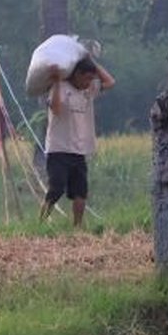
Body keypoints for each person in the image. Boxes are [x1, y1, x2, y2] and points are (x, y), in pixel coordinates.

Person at [40, 56, 114, 227]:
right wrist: (56, 81)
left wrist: (91, 60)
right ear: (77, 74)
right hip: (58, 149)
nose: (89, 83)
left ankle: (78, 228)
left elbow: (110, 82)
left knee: (80, 192)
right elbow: (56, 109)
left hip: (79, 150)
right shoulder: (61, 88)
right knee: (56, 189)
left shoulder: (89, 90)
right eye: (86, 78)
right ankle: (41, 223)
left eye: (91, 79)